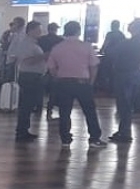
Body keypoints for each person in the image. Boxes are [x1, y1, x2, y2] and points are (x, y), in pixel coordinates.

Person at [46, 21, 107, 149]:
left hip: (63, 83)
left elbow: (51, 68)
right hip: (82, 83)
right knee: (89, 111)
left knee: (64, 112)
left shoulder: (57, 48)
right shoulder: (86, 46)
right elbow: (93, 66)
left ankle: (65, 139)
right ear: (78, 31)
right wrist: (91, 82)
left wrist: (59, 77)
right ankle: (94, 138)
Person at [109, 18, 140, 143]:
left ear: (136, 27)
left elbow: (112, 52)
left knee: (124, 104)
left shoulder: (131, 42)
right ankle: (124, 130)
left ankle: (125, 132)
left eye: (131, 24)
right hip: (133, 74)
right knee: (126, 105)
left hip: (126, 75)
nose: (128, 25)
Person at [8, 21, 46, 142]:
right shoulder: (26, 44)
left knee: (28, 105)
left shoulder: (32, 43)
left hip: (32, 76)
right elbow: (27, 61)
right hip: (29, 77)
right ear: (31, 31)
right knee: (26, 105)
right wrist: (45, 56)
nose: (40, 32)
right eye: (38, 30)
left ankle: (24, 130)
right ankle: (21, 132)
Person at [37, 23, 64, 119]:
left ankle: (38, 106)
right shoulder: (60, 40)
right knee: (54, 89)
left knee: (40, 88)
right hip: (55, 66)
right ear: (56, 29)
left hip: (42, 65)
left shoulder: (41, 39)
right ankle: (50, 107)